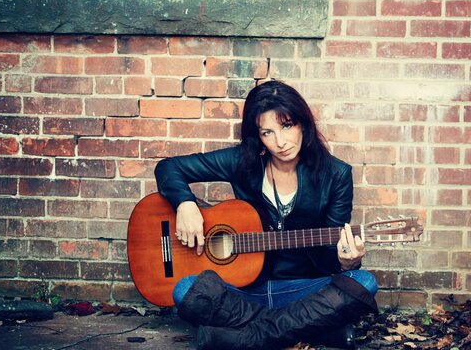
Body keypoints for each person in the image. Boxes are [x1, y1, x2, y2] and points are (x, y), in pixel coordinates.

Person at [154, 80, 378, 349]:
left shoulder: (336, 175)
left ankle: (245, 337)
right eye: (267, 133)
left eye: (286, 126)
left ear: (303, 124)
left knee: (363, 282)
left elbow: (329, 256)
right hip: (244, 292)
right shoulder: (242, 162)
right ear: (257, 137)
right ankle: (307, 330)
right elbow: (168, 168)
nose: (280, 142)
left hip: (301, 290)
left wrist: (346, 262)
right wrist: (185, 204)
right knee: (184, 289)